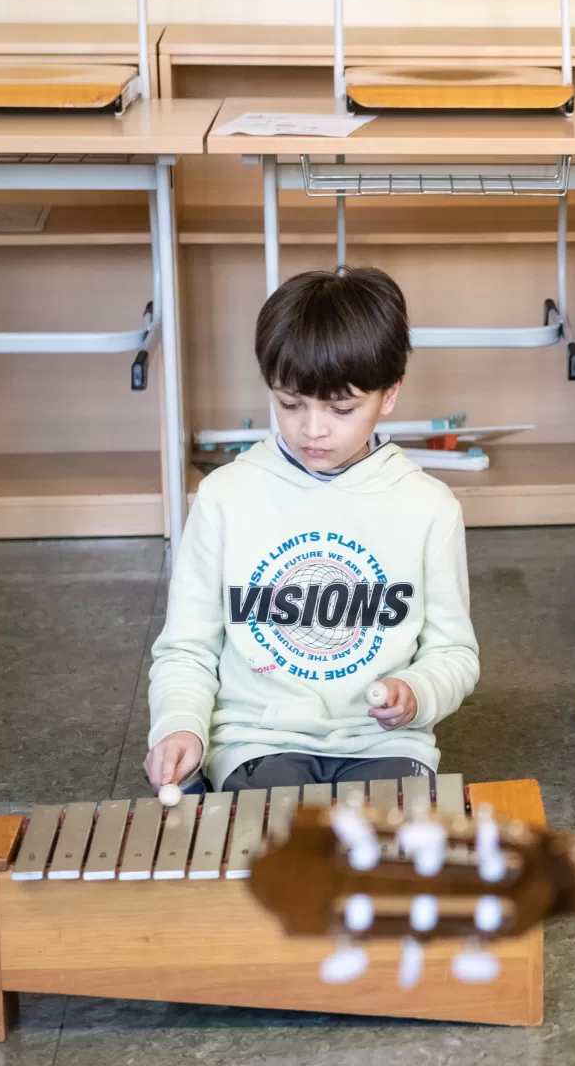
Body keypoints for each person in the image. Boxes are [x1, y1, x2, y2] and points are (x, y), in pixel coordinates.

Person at [144, 267, 479, 793]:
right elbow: (187, 649)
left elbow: (454, 654)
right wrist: (179, 726)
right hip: (258, 740)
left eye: (342, 408)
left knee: (391, 859)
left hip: (385, 745)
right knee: (273, 853)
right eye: (290, 403)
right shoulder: (225, 496)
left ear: (389, 394)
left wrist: (417, 690)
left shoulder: (428, 506)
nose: (313, 428)